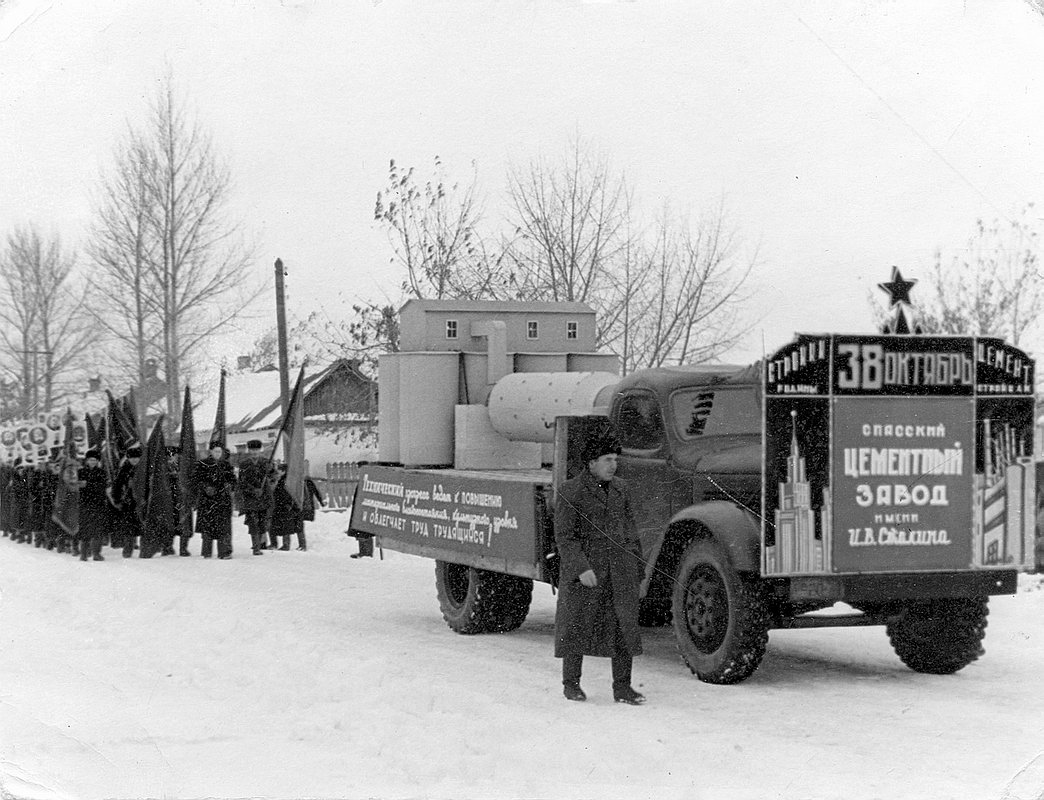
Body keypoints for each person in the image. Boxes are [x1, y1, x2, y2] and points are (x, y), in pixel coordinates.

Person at [553, 429, 645, 705]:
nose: (613, 465)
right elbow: (565, 536)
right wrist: (581, 568)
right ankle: (571, 684)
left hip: (620, 569)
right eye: (606, 459)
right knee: (577, 625)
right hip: (587, 572)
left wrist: (638, 572)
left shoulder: (622, 489)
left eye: (615, 459)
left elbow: (631, 532)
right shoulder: (571, 491)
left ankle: (623, 688)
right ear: (591, 463)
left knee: (623, 627)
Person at [196, 441, 236, 559]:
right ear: (211, 451)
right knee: (208, 526)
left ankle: (224, 552)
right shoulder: (203, 464)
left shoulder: (226, 465)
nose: (218, 454)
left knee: (224, 527)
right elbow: (196, 480)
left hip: (223, 500)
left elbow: (233, 480)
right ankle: (207, 552)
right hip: (208, 501)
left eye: (220, 452)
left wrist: (230, 485)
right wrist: (205, 487)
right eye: (216, 451)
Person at [236, 439, 271, 555]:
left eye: (256, 450)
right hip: (250, 498)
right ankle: (256, 547)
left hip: (263, 497)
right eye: (252, 450)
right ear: (249, 450)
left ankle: (261, 543)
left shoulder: (266, 462)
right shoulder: (244, 464)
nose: (254, 452)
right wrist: (252, 490)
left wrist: (271, 472)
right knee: (253, 522)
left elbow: (273, 476)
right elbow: (241, 482)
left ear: (260, 450)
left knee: (262, 521)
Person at [108, 443, 143, 558]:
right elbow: (117, 486)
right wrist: (117, 499)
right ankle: (128, 550)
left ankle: (145, 549)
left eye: (136, 457)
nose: (134, 460)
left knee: (144, 526)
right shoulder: (124, 469)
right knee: (129, 527)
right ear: (128, 458)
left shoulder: (144, 469)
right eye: (132, 458)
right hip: (129, 502)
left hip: (142, 502)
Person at [77, 449, 108, 561]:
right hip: (84, 504)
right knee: (85, 529)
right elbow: (76, 487)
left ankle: (96, 553)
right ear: (87, 460)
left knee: (97, 530)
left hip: (98, 504)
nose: (93, 462)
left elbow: (101, 487)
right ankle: (84, 553)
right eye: (91, 460)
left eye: (95, 460)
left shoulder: (101, 472)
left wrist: (87, 484)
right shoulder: (80, 472)